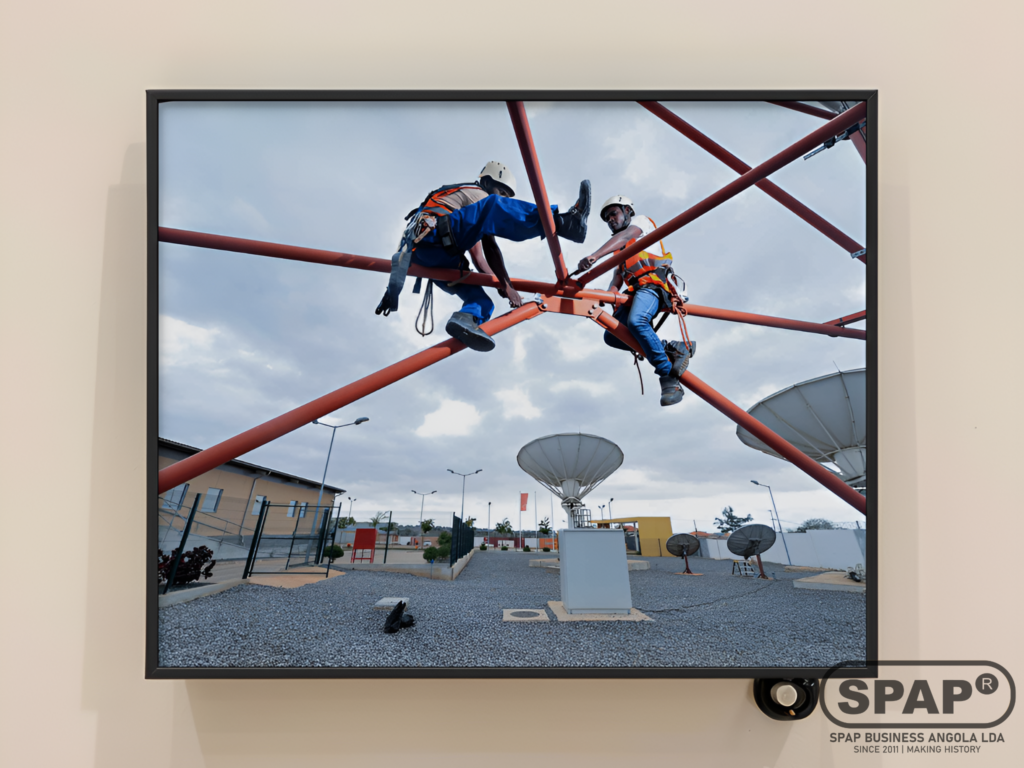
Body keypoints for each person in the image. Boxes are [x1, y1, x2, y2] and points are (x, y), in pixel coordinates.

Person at [377, 162, 591, 351]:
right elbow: (490, 247)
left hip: (431, 257)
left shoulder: (469, 218)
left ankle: (464, 320)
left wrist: (501, 286)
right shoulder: (477, 194)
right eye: (501, 191)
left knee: (482, 303)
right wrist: (506, 285)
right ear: (486, 182)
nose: (503, 198)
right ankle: (564, 222)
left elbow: (480, 260)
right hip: (436, 237)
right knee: (493, 205)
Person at [576, 195, 691, 406]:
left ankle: (668, 377)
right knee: (612, 336)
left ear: (627, 211)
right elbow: (617, 279)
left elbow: (627, 235)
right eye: (607, 218)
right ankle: (671, 347)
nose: (610, 220)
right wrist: (605, 296)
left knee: (637, 322)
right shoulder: (620, 250)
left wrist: (595, 256)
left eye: (614, 214)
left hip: (653, 286)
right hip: (635, 293)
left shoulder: (641, 223)